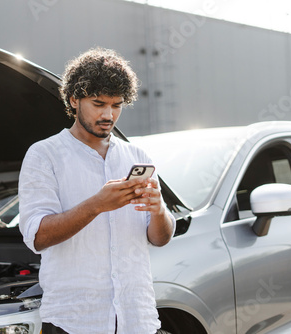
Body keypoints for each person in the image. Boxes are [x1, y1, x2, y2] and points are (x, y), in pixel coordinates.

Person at [19, 47, 175, 334]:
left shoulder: (137, 155)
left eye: (116, 105)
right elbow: (37, 237)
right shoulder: (44, 155)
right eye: (98, 103)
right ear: (73, 100)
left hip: (136, 318)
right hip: (74, 321)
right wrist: (97, 205)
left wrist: (158, 210)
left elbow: (161, 238)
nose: (108, 114)